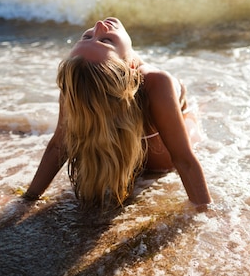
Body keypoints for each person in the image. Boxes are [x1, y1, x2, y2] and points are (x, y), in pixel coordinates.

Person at [23, 17, 211, 210]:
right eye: (105, 41)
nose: (98, 25)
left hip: (123, 153)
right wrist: (205, 212)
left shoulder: (76, 82)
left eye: (89, 36)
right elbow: (183, 159)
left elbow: (58, 145)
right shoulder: (156, 82)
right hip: (161, 160)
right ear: (129, 68)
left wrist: (29, 197)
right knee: (198, 111)